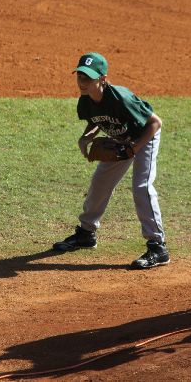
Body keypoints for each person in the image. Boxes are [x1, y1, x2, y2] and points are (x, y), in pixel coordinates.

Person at [52, 52, 168, 269]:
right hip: (121, 140)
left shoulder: (121, 98)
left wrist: (133, 148)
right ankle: (86, 234)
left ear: (102, 79)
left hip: (145, 136)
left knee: (141, 187)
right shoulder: (86, 100)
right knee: (100, 183)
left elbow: (155, 122)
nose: (82, 82)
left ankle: (158, 247)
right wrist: (86, 137)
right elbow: (97, 120)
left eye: (88, 78)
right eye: (80, 76)